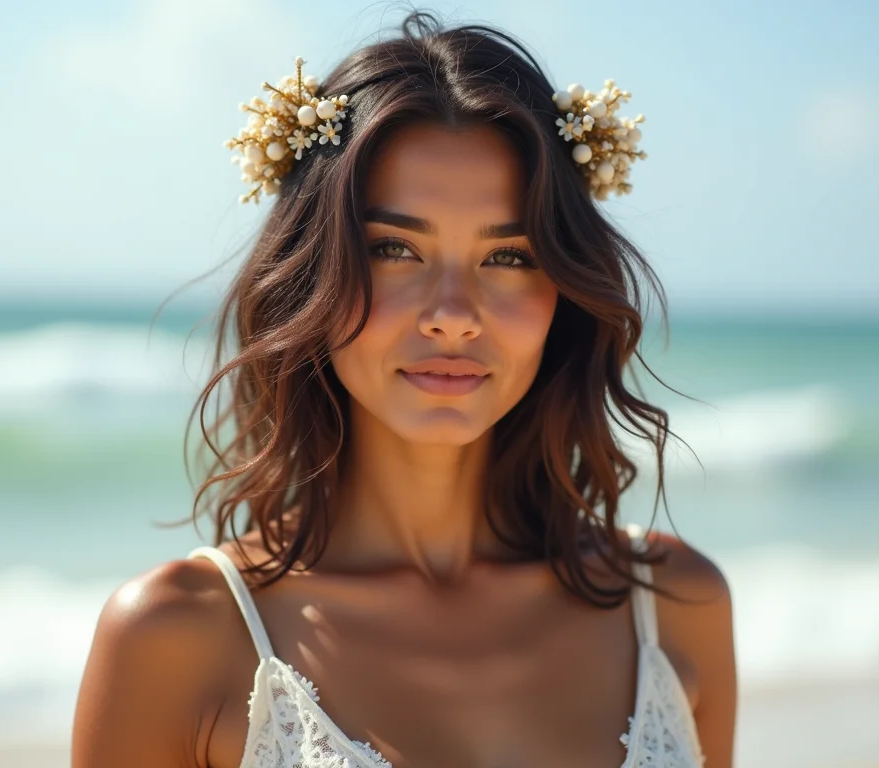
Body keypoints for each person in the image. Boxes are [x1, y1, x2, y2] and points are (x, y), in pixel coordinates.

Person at [72, 10, 736, 768]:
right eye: (394, 249)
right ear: (312, 272)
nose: (453, 315)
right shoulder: (178, 638)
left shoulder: (675, 607)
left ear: (565, 293)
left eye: (511, 257)